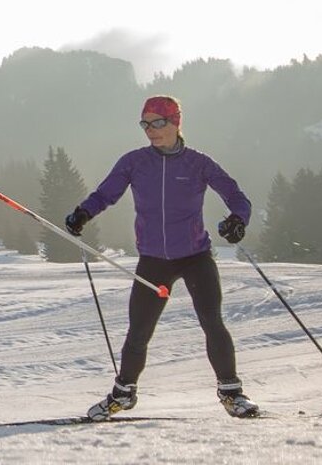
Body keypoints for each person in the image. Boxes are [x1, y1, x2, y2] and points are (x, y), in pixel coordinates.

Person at [64, 95, 259, 420]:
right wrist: (83, 213)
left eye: (158, 122)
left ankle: (232, 394)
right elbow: (105, 193)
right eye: (145, 124)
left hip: (195, 255)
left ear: (176, 122)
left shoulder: (198, 163)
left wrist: (238, 219)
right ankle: (123, 394)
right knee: (138, 331)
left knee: (212, 323)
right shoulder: (135, 161)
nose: (151, 130)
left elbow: (237, 196)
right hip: (153, 260)